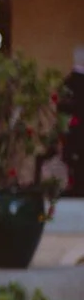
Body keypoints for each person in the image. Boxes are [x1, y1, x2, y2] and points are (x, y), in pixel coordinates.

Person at [58, 44, 84, 197]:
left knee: (73, 158)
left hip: (72, 128)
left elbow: (61, 107)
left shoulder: (68, 82)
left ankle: (74, 183)